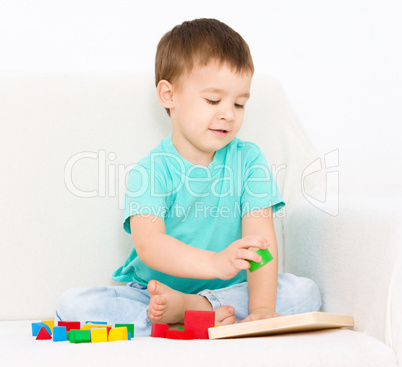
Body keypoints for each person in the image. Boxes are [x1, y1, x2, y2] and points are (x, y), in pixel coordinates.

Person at [56, 18, 321, 336]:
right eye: (213, 100)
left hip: (231, 289)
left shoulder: (249, 161)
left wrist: (262, 308)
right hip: (153, 292)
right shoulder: (150, 170)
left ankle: (197, 310)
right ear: (169, 95)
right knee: (73, 305)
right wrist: (215, 263)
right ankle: (184, 312)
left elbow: (260, 246)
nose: (228, 114)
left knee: (304, 292)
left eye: (239, 103)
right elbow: (150, 245)